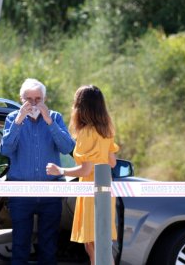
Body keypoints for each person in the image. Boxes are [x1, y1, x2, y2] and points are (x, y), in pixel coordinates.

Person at [0, 78, 75, 265]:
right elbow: (5, 150)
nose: (33, 103)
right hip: (21, 193)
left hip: (50, 192)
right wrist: (18, 121)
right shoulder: (12, 118)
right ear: (21, 99)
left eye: (38, 99)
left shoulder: (55, 117)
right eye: (28, 99)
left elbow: (67, 147)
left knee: (48, 247)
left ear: (45, 99)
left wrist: (49, 121)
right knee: (20, 246)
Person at [46, 85, 119, 265]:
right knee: (100, 245)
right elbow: (112, 162)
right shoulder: (106, 131)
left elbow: (85, 170)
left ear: (81, 107)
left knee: (94, 245)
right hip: (105, 191)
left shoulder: (86, 133)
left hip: (91, 192)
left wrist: (60, 170)